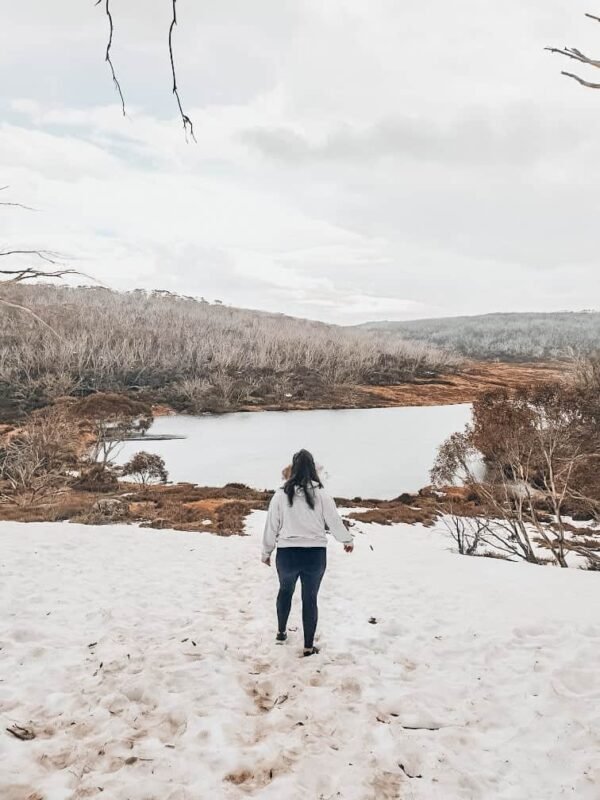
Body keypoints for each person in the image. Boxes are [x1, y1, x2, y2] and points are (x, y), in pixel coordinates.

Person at [261, 449, 354, 656]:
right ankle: (308, 645)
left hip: (287, 555)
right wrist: (346, 540)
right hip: (314, 555)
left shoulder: (280, 495)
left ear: (293, 469)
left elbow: (271, 526)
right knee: (310, 598)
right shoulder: (322, 495)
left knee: (285, 591)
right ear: (313, 469)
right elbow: (334, 522)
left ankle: (281, 632)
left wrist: (266, 552)